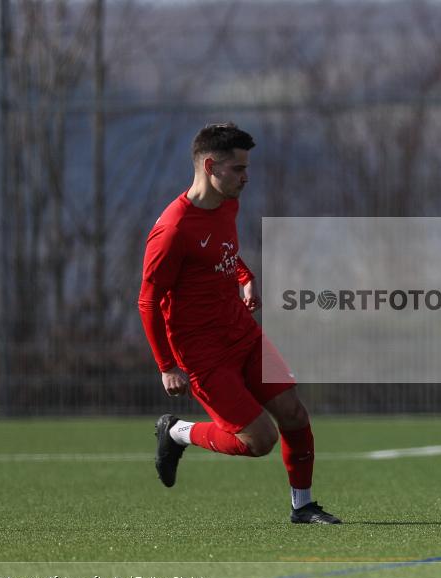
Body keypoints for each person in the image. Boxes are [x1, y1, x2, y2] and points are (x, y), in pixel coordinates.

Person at [137, 123, 340, 524]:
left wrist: (245, 276)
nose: (246, 177)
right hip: (203, 353)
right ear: (210, 167)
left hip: (243, 333)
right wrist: (166, 366)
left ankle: (303, 507)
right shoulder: (173, 230)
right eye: (238, 169)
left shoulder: (227, 203)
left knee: (294, 414)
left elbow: (222, 252)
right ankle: (177, 431)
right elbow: (147, 301)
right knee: (259, 440)